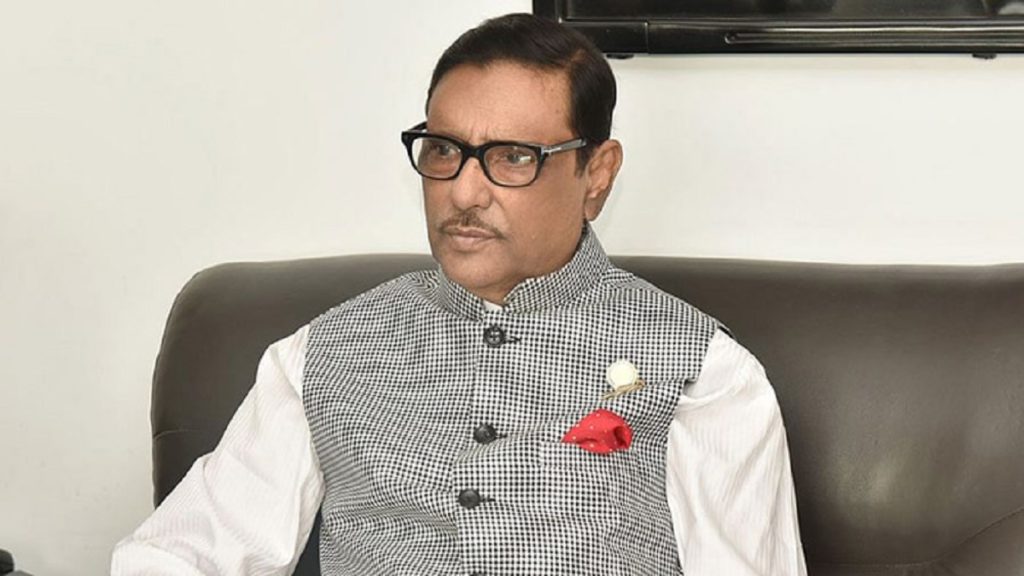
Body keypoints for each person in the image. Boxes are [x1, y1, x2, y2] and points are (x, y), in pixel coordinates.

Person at [112, 13, 806, 576]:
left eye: (513, 157)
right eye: (444, 150)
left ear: (596, 174)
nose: (464, 192)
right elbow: (178, 554)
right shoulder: (317, 357)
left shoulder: (706, 374)